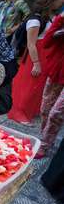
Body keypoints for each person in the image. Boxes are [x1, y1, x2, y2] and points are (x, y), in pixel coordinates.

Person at [8, 0, 64, 127]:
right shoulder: (36, 19)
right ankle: (20, 113)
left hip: (48, 54)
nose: (62, 1)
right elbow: (31, 44)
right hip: (35, 55)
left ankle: (33, 110)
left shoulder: (55, 16)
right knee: (28, 86)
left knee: (40, 85)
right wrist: (37, 63)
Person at [34, 10, 64, 158]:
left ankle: (44, 143)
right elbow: (46, 43)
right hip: (57, 70)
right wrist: (60, 19)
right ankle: (47, 138)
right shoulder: (61, 21)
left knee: (56, 112)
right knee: (45, 109)